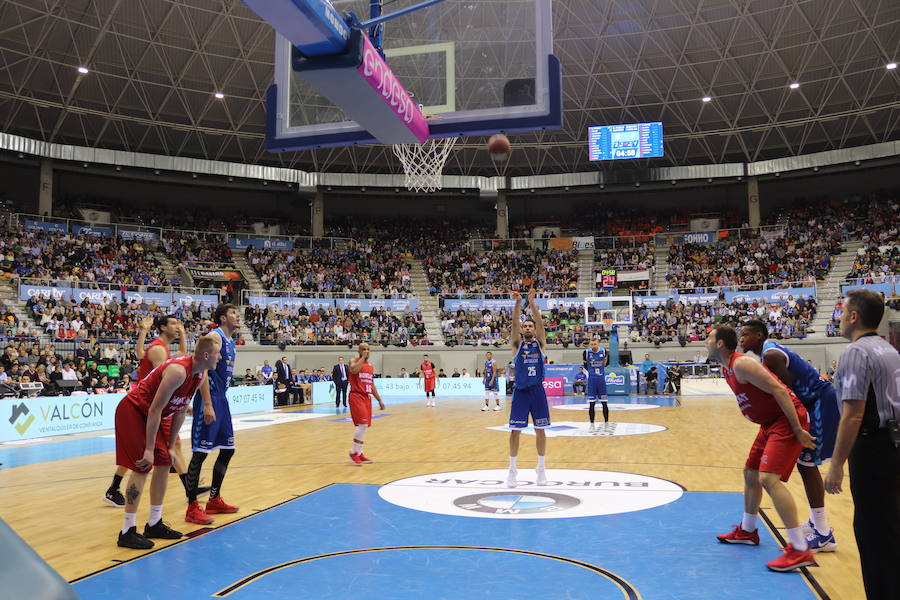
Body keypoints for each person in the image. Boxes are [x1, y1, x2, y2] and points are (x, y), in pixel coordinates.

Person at [706, 325, 816, 572]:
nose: (706, 341)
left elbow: (779, 389)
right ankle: (748, 530)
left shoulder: (742, 364)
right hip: (769, 423)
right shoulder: (726, 368)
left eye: (709, 338)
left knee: (768, 479)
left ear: (720, 343)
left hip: (786, 420)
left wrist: (797, 428)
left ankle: (800, 549)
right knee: (750, 473)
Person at [824, 289, 900, 599]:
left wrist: (836, 464)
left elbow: (853, 414)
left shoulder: (855, 352)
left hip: (871, 449)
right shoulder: (888, 348)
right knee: (890, 527)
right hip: (893, 444)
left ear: (854, 316)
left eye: (842, 313)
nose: (840, 318)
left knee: (872, 532)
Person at [740, 320, 841, 552]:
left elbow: (784, 392)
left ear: (758, 335)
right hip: (813, 402)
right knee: (804, 463)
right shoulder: (769, 350)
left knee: (807, 463)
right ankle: (817, 523)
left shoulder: (770, 356)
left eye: (745, 334)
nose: (741, 339)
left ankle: (823, 533)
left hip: (819, 402)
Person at [113, 334, 221, 549]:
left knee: (164, 462)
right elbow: (154, 410)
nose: (220, 358)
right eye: (218, 354)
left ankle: (154, 523)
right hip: (134, 411)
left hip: (155, 415)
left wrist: (171, 446)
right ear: (206, 355)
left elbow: (180, 410)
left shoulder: (199, 374)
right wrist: (149, 449)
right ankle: (127, 531)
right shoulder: (178, 372)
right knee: (143, 465)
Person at [103, 316, 208, 508]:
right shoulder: (158, 349)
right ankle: (190, 490)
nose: (177, 326)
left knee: (164, 449)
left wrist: (183, 334)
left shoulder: (162, 348)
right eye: (173, 324)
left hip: (154, 404)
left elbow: (181, 354)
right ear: (162, 327)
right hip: (147, 405)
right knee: (157, 452)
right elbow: (163, 379)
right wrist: (179, 402)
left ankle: (189, 489)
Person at [184, 304, 240, 525]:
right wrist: (207, 403)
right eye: (233, 313)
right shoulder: (214, 337)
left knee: (228, 449)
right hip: (209, 398)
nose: (237, 316)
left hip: (222, 398)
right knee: (200, 453)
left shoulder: (231, 341)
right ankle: (191, 507)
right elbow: (201, 369)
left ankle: (214, 499)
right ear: (223, 318)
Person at [506, 289, 550, 489]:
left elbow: (541, 324)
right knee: (515, 432)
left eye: (530, 325)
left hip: (538, 391)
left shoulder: (540, 344)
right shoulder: (517, 345)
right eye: (525, 326)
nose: (528, 327)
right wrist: (518, 302)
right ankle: (512, 470)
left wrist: (532, 304)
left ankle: (541, 468)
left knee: (541, 430)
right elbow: (514, 324)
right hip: (521, 392)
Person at [347, 342, 385, 466]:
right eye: (363, 349)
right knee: (362, 424)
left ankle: (359, 453)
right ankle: (354, 453)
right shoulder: (353, 361)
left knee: (365, 426)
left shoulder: (370, 366)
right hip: (356, 395)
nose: (366, 351)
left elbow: (371, 384)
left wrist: (379, 400)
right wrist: (362, 358)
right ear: (359, 351)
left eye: (368, 349)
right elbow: (353, 370)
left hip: (366, 397)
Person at [583, 337, 610, 432]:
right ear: (589, 344)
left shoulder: (603, 351)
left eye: (595, 344)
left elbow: (605, 363)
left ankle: (606, 423)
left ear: (598, 344)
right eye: (592, 344)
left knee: (604, 403)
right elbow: (585, 365)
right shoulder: (586, 352)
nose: (593, 346)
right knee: (592, 404)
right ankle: (592, 424)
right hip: (592, 381)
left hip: (601, 380)